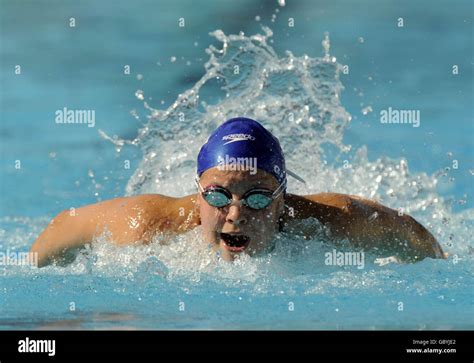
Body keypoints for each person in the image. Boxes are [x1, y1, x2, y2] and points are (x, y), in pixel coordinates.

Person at [31, 117, 446, 267]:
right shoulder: (147, 224)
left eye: (258, 197)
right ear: (197, 194)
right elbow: (59, 228)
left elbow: (420, 242)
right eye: (217, 196)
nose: (235, 214)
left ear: (283, 198)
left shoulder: (337, 221)